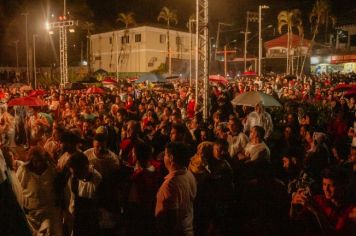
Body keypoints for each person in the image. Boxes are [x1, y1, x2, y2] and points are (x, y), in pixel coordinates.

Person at [290, 168, 356, 234]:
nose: (326, 189)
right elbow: (296, 221)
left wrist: (316, 211)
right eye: (324, 184)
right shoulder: (318, 199)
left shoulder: (351, 210)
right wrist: (293, 205)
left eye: (331, 185)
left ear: (342, 187)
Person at [16, 146, 62, 236]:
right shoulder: (24, 171)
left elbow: (58, 187)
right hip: (32, 213)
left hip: (49, 211)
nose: (38, 164)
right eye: (35, 161)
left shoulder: (51, 170)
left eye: (41, 161)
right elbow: (18, 188)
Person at [155, 142, 197, 236]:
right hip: (188, 229)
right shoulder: (189, 175)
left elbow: (170, 219)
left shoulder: (170, 184)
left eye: (165, 155)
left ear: (171, 158)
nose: (163, 158)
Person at [66, 151, 102, 236]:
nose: (74, 175)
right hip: (78, 222)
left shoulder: (98, 180)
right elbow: (73, 199)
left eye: (76, 172)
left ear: (85, 167)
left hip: (93, 224)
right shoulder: (73, 178)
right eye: (73, 173)